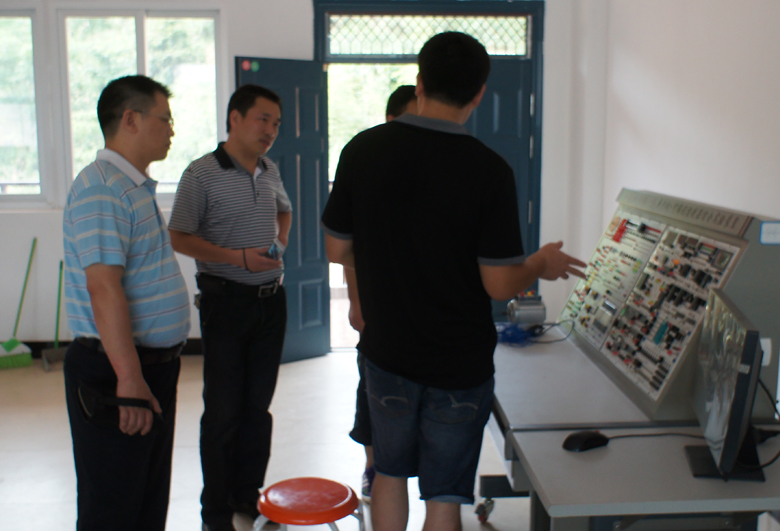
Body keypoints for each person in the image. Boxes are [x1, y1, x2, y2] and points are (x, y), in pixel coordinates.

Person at [322, 32, 586, 531]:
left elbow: (337, 249)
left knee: (389, 474)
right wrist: (538, 264)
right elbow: (499, 285)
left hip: (387, 354)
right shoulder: (490, 171)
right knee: (444, 498)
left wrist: (385, 253)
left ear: (419, 83)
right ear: (479, 93)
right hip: (459, 366)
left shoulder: (364, 149)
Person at [62, 75, 191, 531]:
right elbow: (103, 288)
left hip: (148, 367)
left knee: (145, 499)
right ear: (131, 119)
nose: (172, 130)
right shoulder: (103, 189)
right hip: (117, 370)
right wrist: (129, 380)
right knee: (114, 507)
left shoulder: (130, 186)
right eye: (165, 119)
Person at [169, 84, 292, 531]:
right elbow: (179, 236)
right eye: (263, 119)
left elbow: (284, 210)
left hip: (270, 302)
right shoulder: (201, 173)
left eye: (276, 123)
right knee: (223, 412)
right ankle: (215, 512)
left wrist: (280, 242)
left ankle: (247, 496)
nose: (271, 130)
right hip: (225, 303)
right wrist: (237, 258)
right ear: (235, 119)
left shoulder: (270, 169)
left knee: (258, 410)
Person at [345, 83, 418, 503]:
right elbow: (344, 245)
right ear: (391, 120)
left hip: (422, 316)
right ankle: (374, 466)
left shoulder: (434, 167)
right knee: (372, 391)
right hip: (378, 314)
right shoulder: (368, 164)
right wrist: (356, 302)